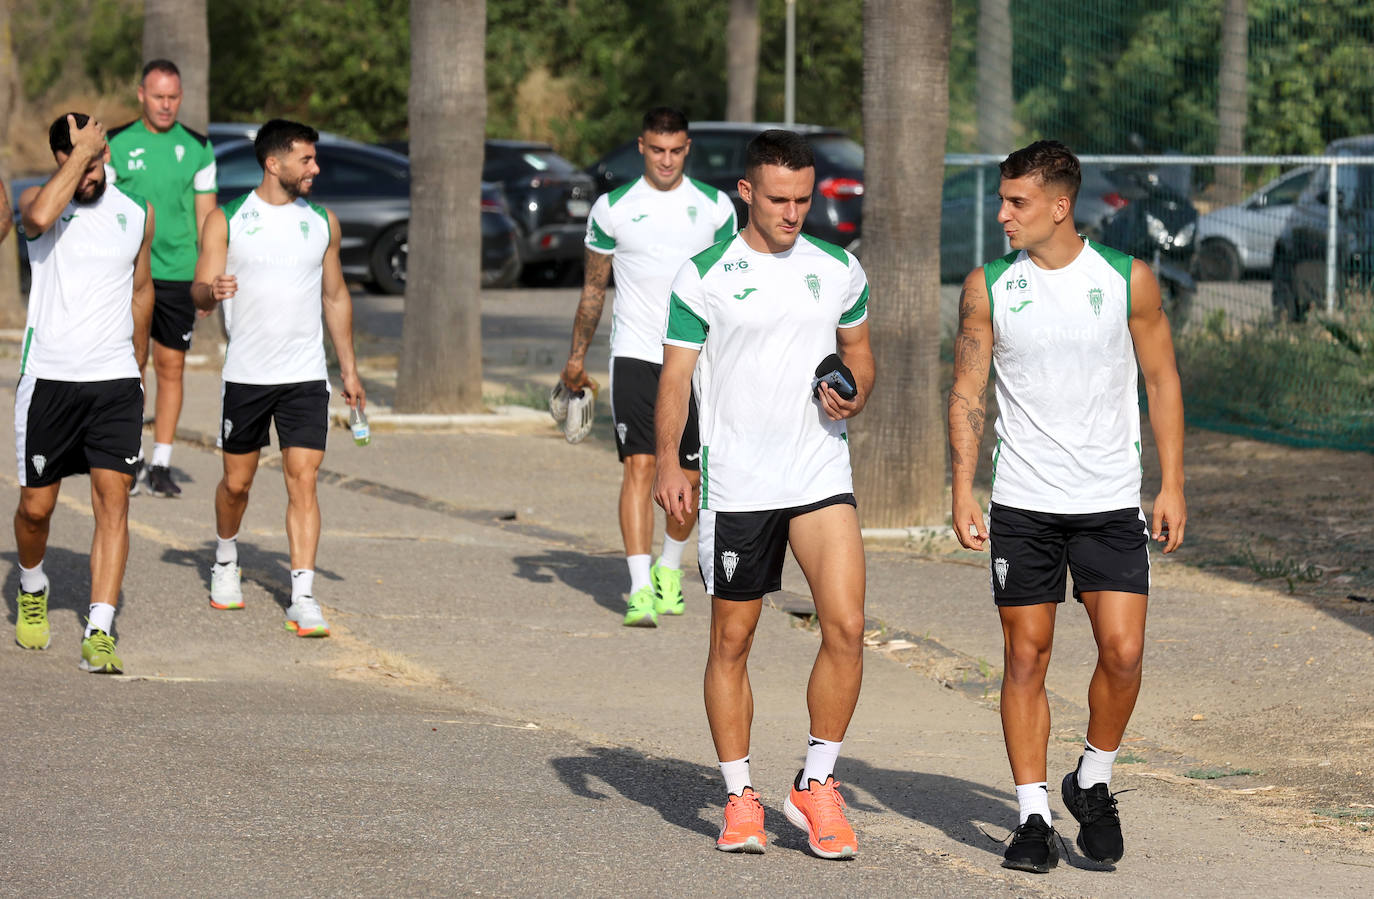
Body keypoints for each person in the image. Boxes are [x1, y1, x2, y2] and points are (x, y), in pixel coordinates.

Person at [948, 140, 1187, 874]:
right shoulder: (988, 286)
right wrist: (962, 484)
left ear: (1060, 205)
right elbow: (967, 391)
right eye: (1001, 199)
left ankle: (1092, 777)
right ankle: (1030, 817)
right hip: (1022, 503)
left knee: (1124, 651)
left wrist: (1171, 482)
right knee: (1026, 656)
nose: (1002, 214)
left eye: (1016, 202)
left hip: (1109, 500)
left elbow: (1162, 381)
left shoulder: (1127, 280)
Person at [654, 129, 875, 859]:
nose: (793, 212)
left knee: (846, 625)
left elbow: (860, 361)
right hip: (737, 483)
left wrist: (852, 393)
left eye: (804, 199)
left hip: (819, 473)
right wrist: (669, 463)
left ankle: (816, 785)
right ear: (746, 192)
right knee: (733, 639)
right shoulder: (704, 274)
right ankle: (740, 795)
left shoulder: (839, 268)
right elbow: (676, 378)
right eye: (779, 198)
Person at [560, 107, 736, 628]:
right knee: (639, 465)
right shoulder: (612, 208)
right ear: (642, 147)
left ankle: (668, 567)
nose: (666, 159)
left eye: (676, 150)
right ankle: (638, 588)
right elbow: (594, 289)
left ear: (688, 148)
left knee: (689, 477)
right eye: (657, 150)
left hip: (697, 359)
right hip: (636, 351)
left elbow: (729, 285)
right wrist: (576, 359)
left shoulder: (715, 208)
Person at [190, 119, 364, 637]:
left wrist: (349, 370)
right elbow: (198, 291)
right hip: (247, 375)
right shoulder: (228, 220)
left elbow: (335, 297)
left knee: (303, 481)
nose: (315, 167)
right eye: (306, 160)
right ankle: (226, 558)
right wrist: (211, 291)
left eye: (314, 159)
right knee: (237, 484)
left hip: (304, 376)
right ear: (273, 163)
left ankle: (303, 596)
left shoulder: (322, 222)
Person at [13, 113, 154, 672]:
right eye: (81, 159)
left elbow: (141, 290)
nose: (92, 171)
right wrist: (79, 155)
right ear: (62, 159)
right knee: (35, 508)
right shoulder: (43, 203)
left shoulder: (134, 211)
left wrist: (136, 365)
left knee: (112, 501)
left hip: (114, 381)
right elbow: (38, 215)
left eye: (98, 159)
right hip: (48, 378)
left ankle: (99, 629)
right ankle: (31, 584)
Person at [107, 58, 218, 498]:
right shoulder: (115, 143)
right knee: (131, 365)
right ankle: (128, 458)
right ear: (141, 95)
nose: (166, 105)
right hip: (129, 272)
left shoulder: (197, 147)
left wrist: (207, 280)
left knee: (171, 367)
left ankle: (161, 463)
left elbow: (208, 216)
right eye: (158, 97)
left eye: (173, 97)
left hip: (176, 274)